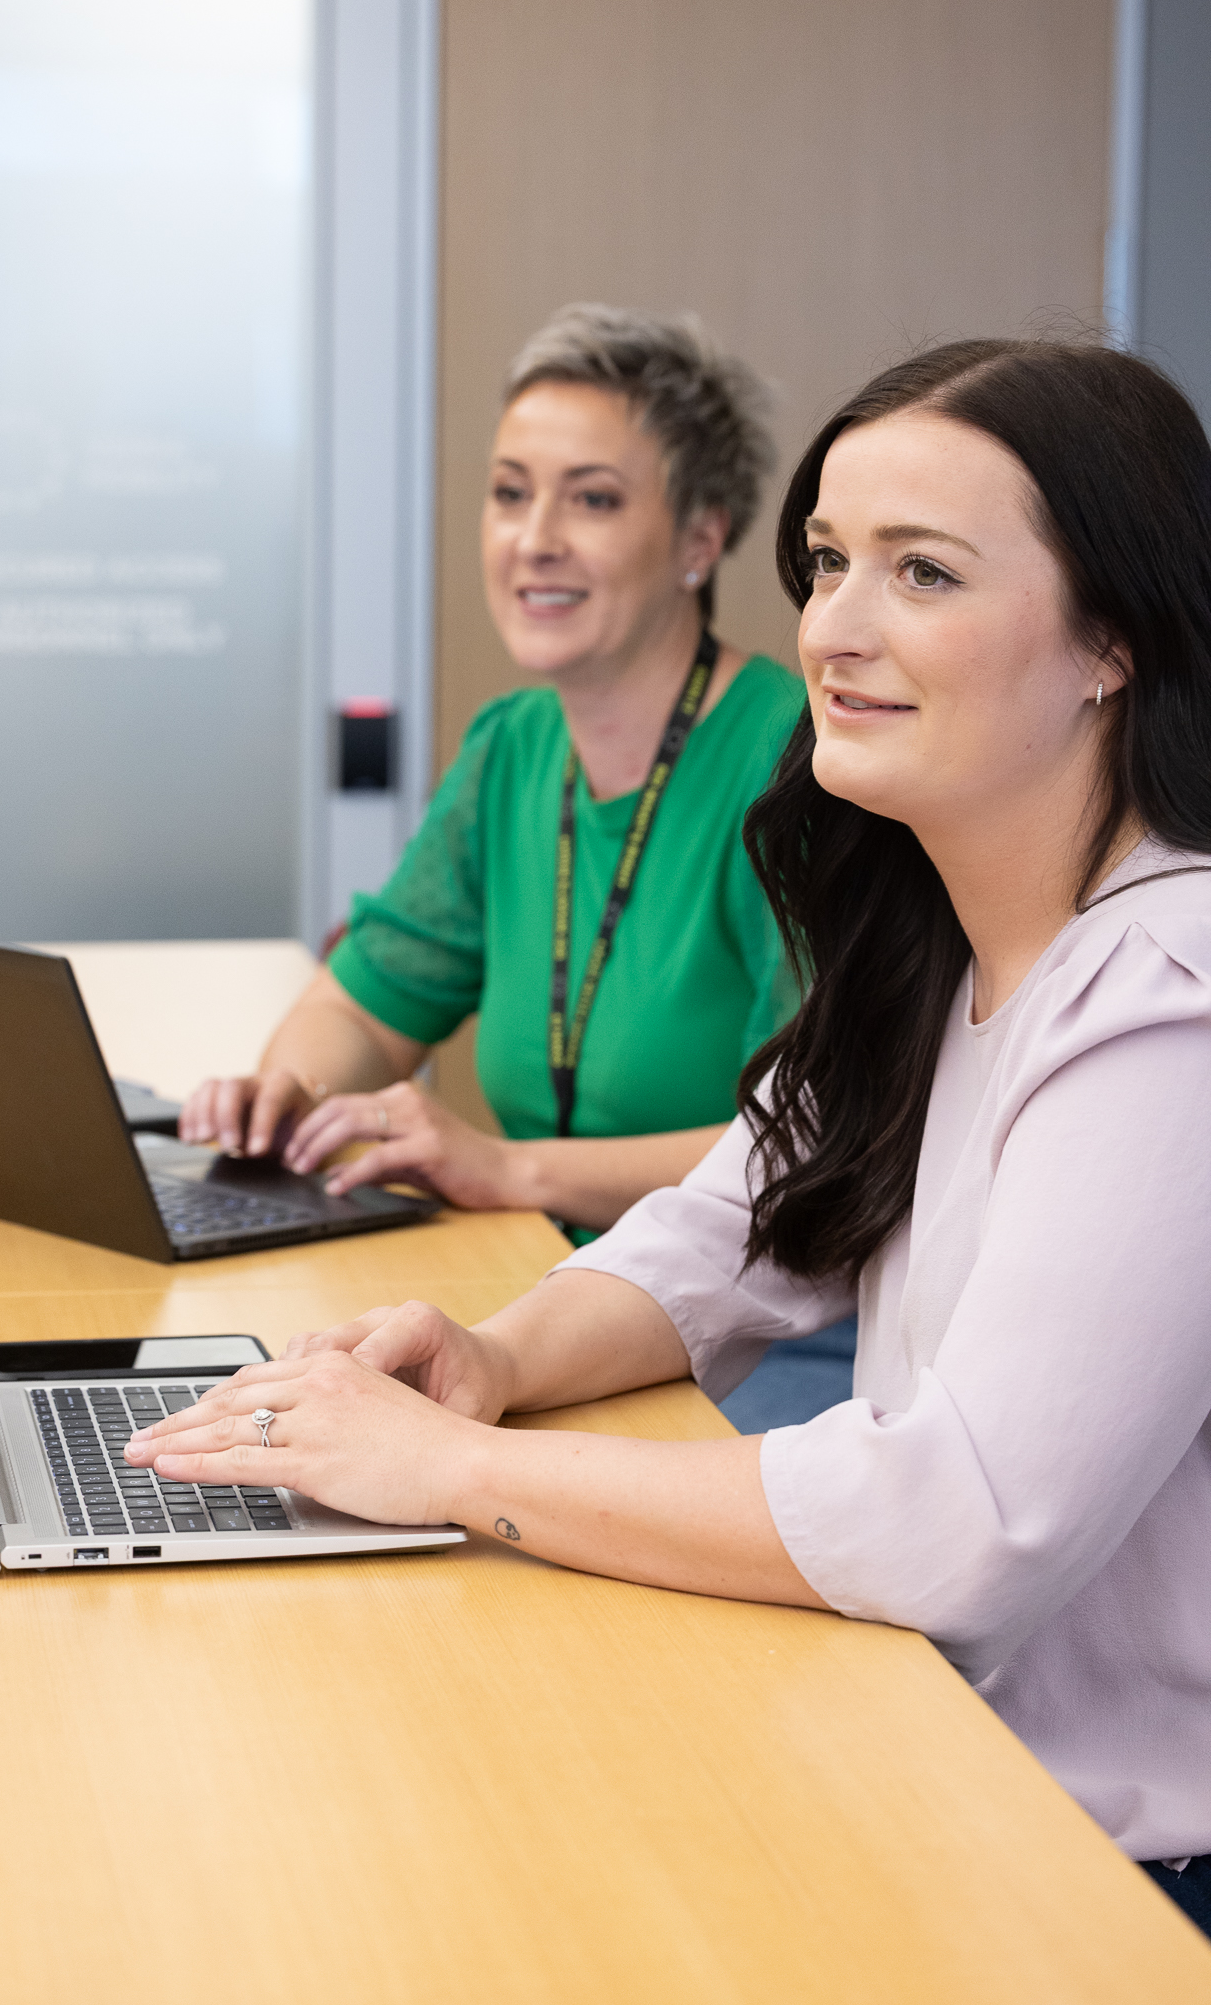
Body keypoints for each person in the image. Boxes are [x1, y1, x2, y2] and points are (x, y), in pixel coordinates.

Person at [132, 336, 1211, 1934]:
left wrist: (457, 1470)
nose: (833, 626)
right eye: (827, 562)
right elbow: (724, 1230)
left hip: (1117, 1876)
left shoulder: (1168, 1001)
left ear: (1111, 638)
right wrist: (489, 1359)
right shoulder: (936, 934)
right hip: (939, 1755)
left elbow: (964, 1521)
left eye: (921, 572)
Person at [180, 304, 808, 1243]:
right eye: (511, 493)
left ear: (700, 539)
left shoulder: (795, 764)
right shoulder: (513, 747)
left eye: (593, 500)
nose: (534, 538)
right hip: (548, 1274)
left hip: (748, 1300)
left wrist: (508, 1169)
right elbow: (363, 1009)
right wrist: (290, 1093)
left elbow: (801, 1147)